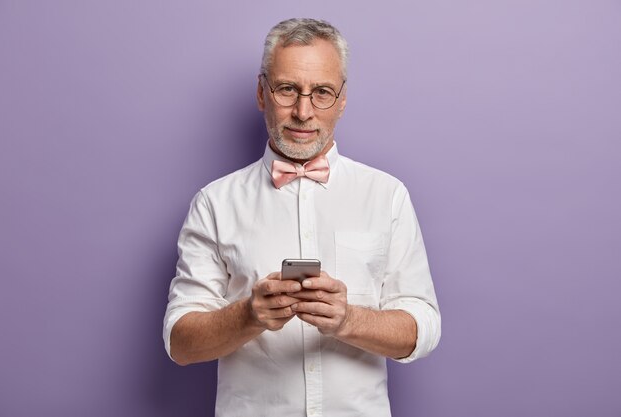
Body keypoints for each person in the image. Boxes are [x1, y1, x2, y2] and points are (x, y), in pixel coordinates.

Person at [163, 18, 441, 417]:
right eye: (287, 89)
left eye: (322, 92)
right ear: (262, 93)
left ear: (343, 100)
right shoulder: (214, 203)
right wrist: (249, 315)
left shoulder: (388, 196)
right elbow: (180, 343)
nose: (303, 111)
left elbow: (424, 329)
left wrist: (348, 320)